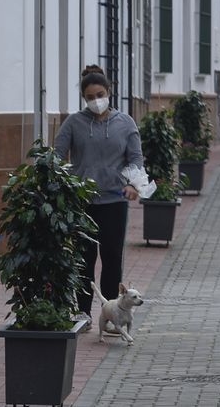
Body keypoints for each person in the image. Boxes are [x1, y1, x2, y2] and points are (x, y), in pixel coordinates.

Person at [54, 65, 144, 320]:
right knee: (84, 258)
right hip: (82, 202)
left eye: (100, 94)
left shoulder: (125, 123)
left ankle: (113, 313)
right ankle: (83, 311)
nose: (96, 101)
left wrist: (133, 184)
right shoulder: (74, 123)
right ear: (84, 98)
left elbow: (136, 158)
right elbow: (57, 156)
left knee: (112, 257)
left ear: (109, 92)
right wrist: (59, 185)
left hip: (115, 200)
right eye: (90, 97)